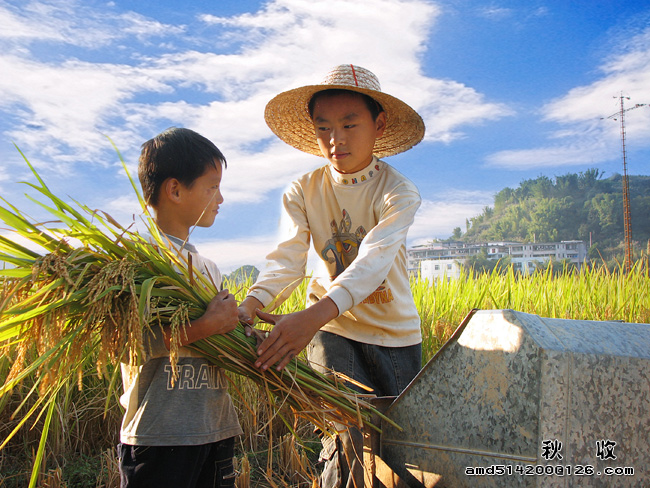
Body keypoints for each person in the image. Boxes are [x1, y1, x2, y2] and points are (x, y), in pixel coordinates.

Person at [238, 64, 425, 488]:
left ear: (378, 126)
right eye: (323, 127)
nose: (335, 139)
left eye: (349, 124)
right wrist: (252, 304)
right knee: (347, 435)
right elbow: (287, 261)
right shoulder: (302, 190)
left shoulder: (398, 192)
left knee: (401, 449)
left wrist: (311, 316)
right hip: (330, 329)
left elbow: (373, 261)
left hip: (394, 335)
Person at [118, 127, 243, 488]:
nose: (220, 198)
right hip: (160, 435)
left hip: (214, 425)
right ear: (175, 189)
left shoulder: (209, 269)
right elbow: (128, 344)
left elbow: (221, 342)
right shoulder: (137, 263)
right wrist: (206, 325)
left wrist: (242, 328)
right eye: (211, 187)